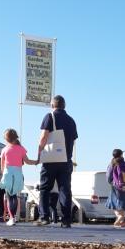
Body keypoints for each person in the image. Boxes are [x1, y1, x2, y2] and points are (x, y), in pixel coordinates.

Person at [36, 95, 78, 228]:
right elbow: (73, 140)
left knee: (45, 188)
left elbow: (44, 137)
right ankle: (66, 220)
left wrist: (39, 152)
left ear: (52, 105)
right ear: (64, 106)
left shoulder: (49, 117)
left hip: (50, 160)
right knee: (65, 189)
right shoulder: (71, 120)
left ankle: (44, 217)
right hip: (66, 160)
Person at [0, 129, 38, 226]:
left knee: (9, 197)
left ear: (6, 139)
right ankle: (14, 217)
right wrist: (37, 162)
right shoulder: (21, 149)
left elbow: (2, 166)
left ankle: (11, 218)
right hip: (18, 174)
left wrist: (2, 176)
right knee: (15, 197)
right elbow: (28, 161)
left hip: (8, 173)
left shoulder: (4, 150)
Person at [107, 149, 125, 228]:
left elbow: (108, 176)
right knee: (122, 203)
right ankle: (122, 222)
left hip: (115, 186)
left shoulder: (112, 164)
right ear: (121, 155)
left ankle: (119, 217)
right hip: (124, 186)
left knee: (114, 203)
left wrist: (111, 182)